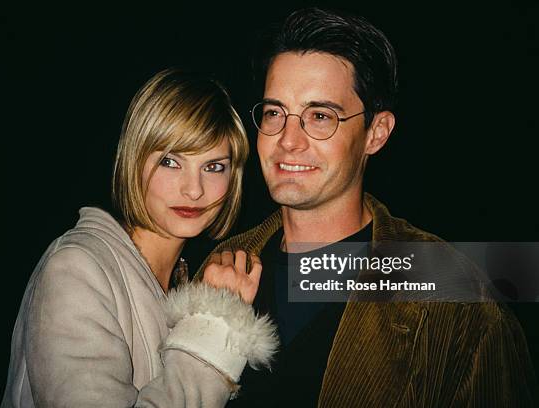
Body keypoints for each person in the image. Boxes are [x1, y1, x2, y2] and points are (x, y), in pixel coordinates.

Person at [195, 8, 538, 407]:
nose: (288, 140)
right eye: (275, 113)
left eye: (320, 116)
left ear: (376, 133)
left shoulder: (458, 304)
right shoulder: (216, 268)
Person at [1, 69, 278, 408]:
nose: (194, 189)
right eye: (170, 161)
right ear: (133, 160)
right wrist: (213, 324)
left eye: (214, 166)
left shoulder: (181, 280)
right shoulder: (76, 268)